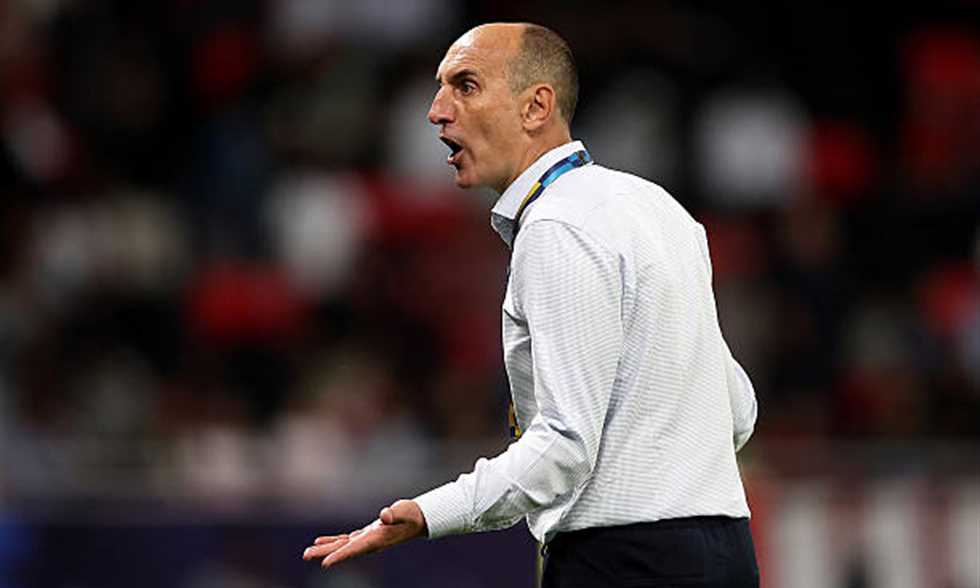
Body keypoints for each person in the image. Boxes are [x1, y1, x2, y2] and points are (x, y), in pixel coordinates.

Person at [302, 22, 760, 587]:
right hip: (727, 552)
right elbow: (737, 407)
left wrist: (428, 513)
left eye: (466, 86)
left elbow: (565, 447)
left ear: (536, 107)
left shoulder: (556, 226)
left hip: (624, 559)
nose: (437, 111)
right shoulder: (660, 208)